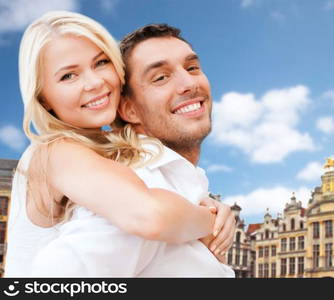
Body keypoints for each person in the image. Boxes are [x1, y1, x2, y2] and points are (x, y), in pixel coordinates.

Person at [5, 11, 234, 277]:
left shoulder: (108, 153)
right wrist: (210, 219)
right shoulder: (55, 151)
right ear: (43, 97)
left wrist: (199, 197)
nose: (94, 83)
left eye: (101, 63)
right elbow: (150, 215)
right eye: (68, 76)